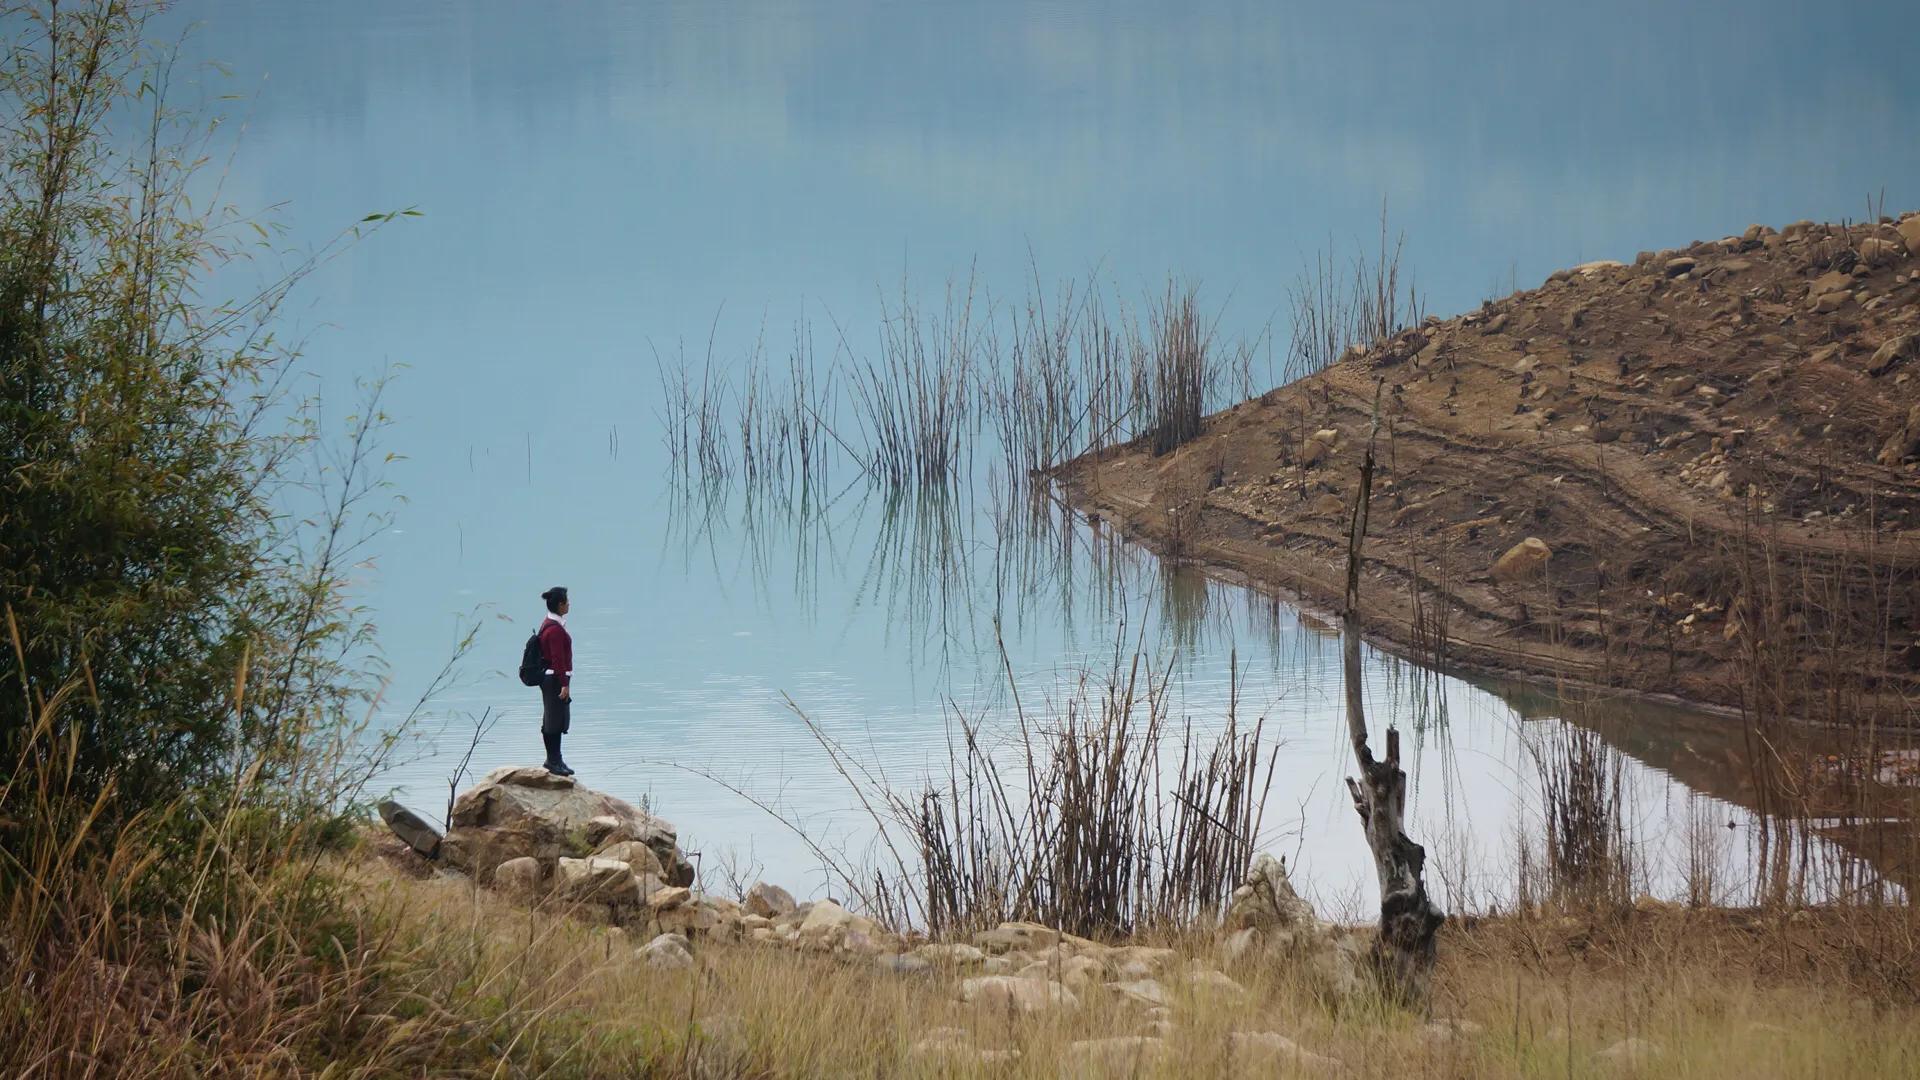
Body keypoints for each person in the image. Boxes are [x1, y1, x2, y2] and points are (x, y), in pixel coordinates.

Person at [537, 586, 575, 776]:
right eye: (566, 601)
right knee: (554, 721)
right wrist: (564, 684)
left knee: (555, 719)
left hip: (552, 677)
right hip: (555, 679)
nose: (569, 604)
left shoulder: (549, 624)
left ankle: (556, 759)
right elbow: (557, 658)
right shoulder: (555, 630)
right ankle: (553, 761)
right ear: (560, 605)